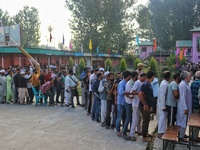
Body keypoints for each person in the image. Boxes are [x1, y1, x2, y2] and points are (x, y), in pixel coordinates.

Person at [129, 73, 147, 141]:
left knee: (139, 119)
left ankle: (139, 131)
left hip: (139, 103)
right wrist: (139, 94)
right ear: (143, 77)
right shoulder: (137, 82)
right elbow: (132, 92)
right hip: (136, 104)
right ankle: (131, 135)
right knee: (135, 119)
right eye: (145, 77)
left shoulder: (141, 83)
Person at [138, 71, 155, 142]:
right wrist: (145, 104)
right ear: (152, 76)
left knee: (147, 120)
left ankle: (146, 133)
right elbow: (140, 94)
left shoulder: (149, 84)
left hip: (148, 106)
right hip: (144, 106)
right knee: (145, 121)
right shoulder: (145, 85)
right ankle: (144, 137)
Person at [122, 71, 138, 140]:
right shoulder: (129, 83)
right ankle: (124, 132)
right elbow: (126, 93)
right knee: (128, 118)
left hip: (132, 102)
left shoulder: (134, 82)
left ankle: (131, 131)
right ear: (135, 76)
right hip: (128, 102)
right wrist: (131, 96)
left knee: (132, 118)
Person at [176, 71, 192, 143]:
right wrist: (185, 108)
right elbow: (182, 97)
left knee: (184, 122)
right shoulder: (182, 85)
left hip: (186, 106)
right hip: (183, 107)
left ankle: (182, 135)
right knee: (182, 122)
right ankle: (181, 137)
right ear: (185, 77)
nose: (190, 77)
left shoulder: (185, 84)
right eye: (189, 76)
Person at [115, 70, 132, 137]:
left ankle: (125, 128)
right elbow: (121, 92)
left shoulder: (127, 83)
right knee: (119, 116)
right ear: (128, 76)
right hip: (121, 102)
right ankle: (117, 130)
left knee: (125, 116)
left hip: (125, 102)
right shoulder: (122, 83)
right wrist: (130, 93)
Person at [157, 71, 171, 138]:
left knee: (163, 118)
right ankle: (160, 132)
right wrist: (163, 106)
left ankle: (162, 131)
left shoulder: (165, 83)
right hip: (162, 104)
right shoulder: (164, 84)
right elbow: (163, 96)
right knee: (162, 118)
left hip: (162, 103)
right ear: (169, 77)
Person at [190, 71, 200, 142]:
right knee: (197, 122)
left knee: (192, 120)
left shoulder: (192, 83)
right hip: (198, 106)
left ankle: (191, 135)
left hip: (192, 104)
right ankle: (194, 137)